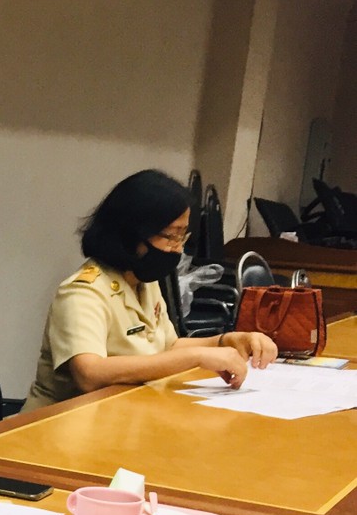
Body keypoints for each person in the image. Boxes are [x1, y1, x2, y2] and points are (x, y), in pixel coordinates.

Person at [23, 169, 277, 410]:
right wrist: (196, 358)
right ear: (132, 234)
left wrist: (227, 341)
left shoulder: (142, 281)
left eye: (182, 236)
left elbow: (168, 347)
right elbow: (89, 374)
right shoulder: (83, 293)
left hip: (119, 413)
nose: (178, 248)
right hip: (57, 421)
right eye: (171, 236)